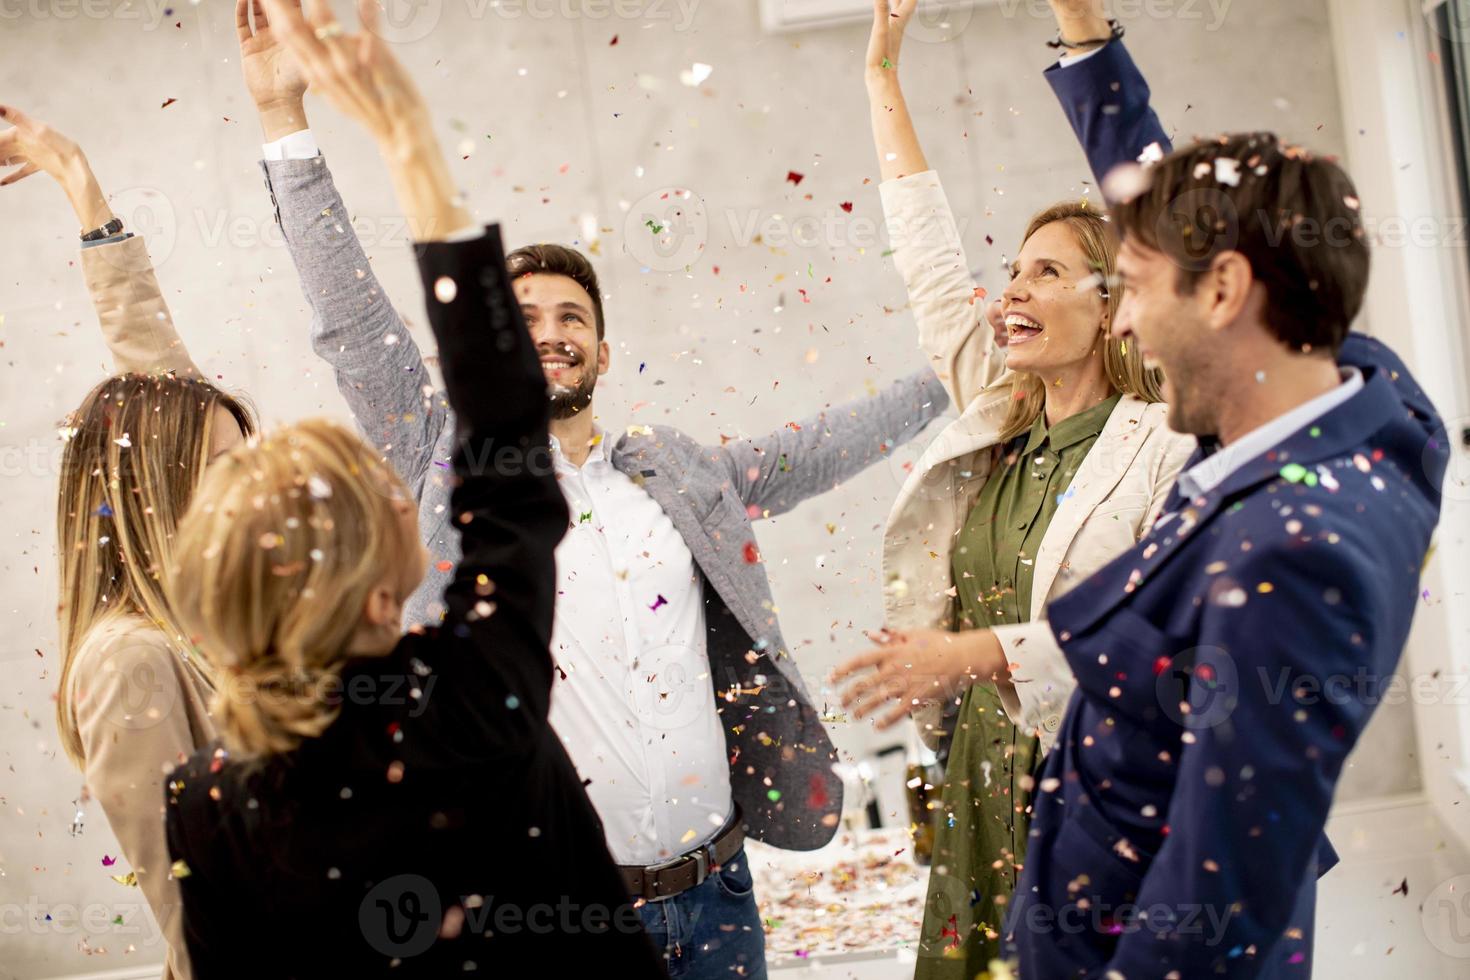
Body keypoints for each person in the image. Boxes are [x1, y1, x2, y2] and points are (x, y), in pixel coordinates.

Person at [221, 2, 950, 975]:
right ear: (489, 346)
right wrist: (283, 116)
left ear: (604, 349)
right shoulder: (445, 461)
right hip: (557, 919)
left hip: (723, 897)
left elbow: (820, 445)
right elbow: (348, 314)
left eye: (573, 316)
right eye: (523, 315)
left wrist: (964, 372)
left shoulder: (678, 473)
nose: (553, 329)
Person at [162, 4, 664, 975]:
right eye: (380, 493)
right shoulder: (469, 701)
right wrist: (409, 141)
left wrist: (283, 118)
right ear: (373, 584)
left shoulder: (209, 797)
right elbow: (503, 435)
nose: (409, 495)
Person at [1000, 19, 1450, 977]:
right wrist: (1087, 40)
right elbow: (1198, 237)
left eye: (1133, 287)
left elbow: (1218, 892)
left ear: (1224, 295)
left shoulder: (1299, 550)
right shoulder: (1338, 388)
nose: (1123, 317)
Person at [829, 2, 1194, 973]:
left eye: (1045, 272)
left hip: (1107, 788)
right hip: (981, 784)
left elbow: (1150, 643)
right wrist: (882, 83)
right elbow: (932, 266)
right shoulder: (996, 406)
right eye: (1012, 272)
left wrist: (1082, 28)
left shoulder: (1165, 438)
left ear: (1116, 303)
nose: (1012, 292)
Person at [1, 104, 255, 980]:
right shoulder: (129, 666)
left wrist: (83, 189)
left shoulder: (213, 623)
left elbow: (162, 387)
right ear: (154, 494)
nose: (252, 489)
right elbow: (202, 915)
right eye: (227, 469)